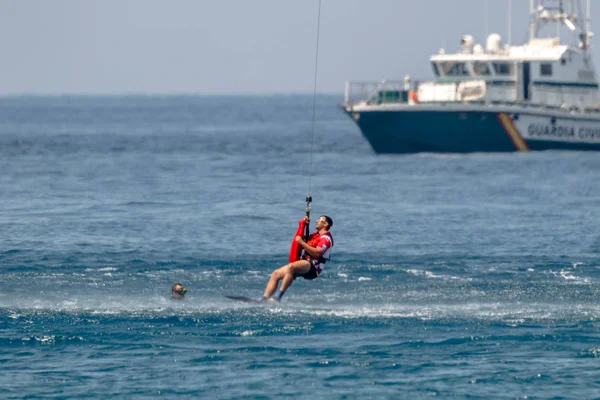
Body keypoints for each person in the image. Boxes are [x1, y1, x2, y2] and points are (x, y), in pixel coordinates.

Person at [262, 215, 334, 302]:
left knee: (291, 267)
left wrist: (302, 243)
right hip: (304, 262)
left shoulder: (326, 238)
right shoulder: (315, 236)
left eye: (320, 220)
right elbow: (301, 240)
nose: (317, 221)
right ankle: (264, 300)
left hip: (314, 267)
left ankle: (278, 297)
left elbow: (317, 253)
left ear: (326, 224)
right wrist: (303, 225)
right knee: (276, 274)